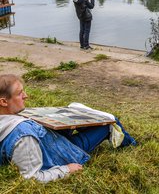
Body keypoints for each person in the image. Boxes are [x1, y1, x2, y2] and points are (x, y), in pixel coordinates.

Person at [0, 74, 136, 183]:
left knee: (71, 113)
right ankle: (131, 145)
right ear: (4, 102)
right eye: (19, 93)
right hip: (65, 154)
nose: (26, 96)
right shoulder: (24, 136)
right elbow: (30, 178)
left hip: (51, 143)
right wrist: (66, 170)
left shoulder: (9, 119)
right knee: (110, 122)